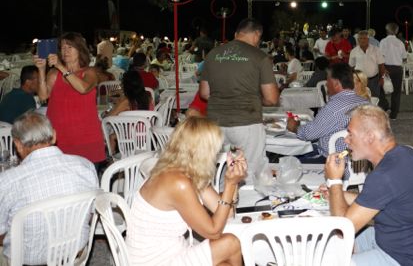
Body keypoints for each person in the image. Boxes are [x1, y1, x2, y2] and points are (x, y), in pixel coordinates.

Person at [323, 105, 413, 266]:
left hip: (402, 258)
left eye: (350, 133)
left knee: (332, 249)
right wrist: (340, 194)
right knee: (326, 244)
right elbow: (377, 200)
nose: (346, 140)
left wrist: (334, 181)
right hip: (401, 239)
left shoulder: (384, 176)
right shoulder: (404, 153)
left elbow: (343, 229)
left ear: (369, 137)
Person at [127, 117, 245, 266]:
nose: (216, 154)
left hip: (172, 250)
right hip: (152, 260)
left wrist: (234, 180)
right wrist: (230, 184)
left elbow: (226, 213)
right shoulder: (177, 183)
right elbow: (214, 232)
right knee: (231, 243)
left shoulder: (182, 170)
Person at [0, 112, 99, 265]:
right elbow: (92, 214)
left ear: (17, 144)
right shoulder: (85, 166)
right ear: (53, 136)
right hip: (73, 255)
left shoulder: (7, 180)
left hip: (25, 261)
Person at [199, 18, 279, 174]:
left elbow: (204, 93)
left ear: (236, 34)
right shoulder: (260, 56)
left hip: (215, 123)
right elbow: (271, 99)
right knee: (249, 171)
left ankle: (222, 190)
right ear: (257, 35)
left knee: (218, 170)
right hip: (246, 122)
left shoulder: (213, 54)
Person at [34, 32, 106, 165]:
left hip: (86, 139)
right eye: (63, 47)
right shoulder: (54, 74)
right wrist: (41, 70)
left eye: (70, 47)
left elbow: (83, 88)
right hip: (59, 139)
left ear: (80, 50)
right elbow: (43, 96)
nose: (65, 51)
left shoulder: (89, 72)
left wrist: (61, 67)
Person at [286, 63, 369, 163]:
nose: (326, 84)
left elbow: (309, 134)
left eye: (328, 80)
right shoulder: (364, 102)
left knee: (287, 161)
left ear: (336, 84)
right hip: (359, 158)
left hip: (336, 160)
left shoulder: (335, 107)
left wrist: (294, 127)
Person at [379, 22, 407, 119]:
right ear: (397, 31)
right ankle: (394, 114)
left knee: (380, 90)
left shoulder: (383, 41)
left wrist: (382, 68)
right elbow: (404, 58)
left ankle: (385, 107)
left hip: (386, 67)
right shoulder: (400, 43)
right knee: (396, 92)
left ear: (386, 30)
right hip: (397, 69)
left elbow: (380, 56)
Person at [349, 30, 386, 100]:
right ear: (358, 40)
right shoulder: (353, 51)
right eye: (361, 38)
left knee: (374, 99)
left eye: (365, 38)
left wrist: (382, 78)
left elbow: (381, 65)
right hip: (359, 81)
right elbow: (351, 67)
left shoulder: (376, 49)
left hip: (374, 80)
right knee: (360, 99)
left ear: (368, 39)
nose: (363, 40)